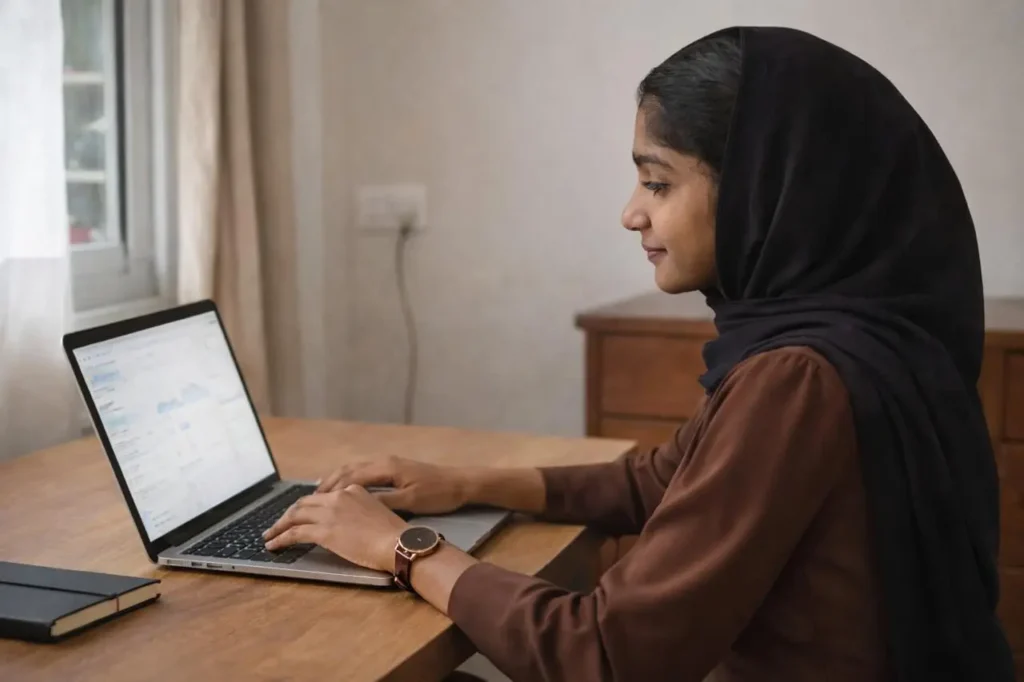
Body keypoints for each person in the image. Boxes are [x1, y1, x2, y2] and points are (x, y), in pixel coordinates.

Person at [264, 26, 1014, 681]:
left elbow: (607, 656)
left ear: (764, 188)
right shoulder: (856, 334)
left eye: (658, 181)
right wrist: (461, 482)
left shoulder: (798, 378)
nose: (631, 212)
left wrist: (403, 548)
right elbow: (668, 479)